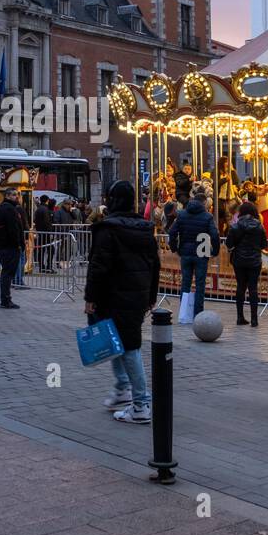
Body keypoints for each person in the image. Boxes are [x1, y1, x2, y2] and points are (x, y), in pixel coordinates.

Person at [86, 180, 160, 425]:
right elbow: (155, 265)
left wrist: (90, 298)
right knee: (117, 341)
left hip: (112, 295)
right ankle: (123, 388)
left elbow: (98, 267)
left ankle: (141, 404)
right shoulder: (145, 229)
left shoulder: (107, 230)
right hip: (137, 294)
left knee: (129, 348)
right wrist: (151, 296)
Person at [168, 187, 219, 318]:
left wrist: (175, 248)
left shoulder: (182, 215)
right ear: (203, 203)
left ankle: (184, 312)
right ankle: (198, 313)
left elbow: (172, 232)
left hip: (185, 252)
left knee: (186, 282)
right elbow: (214, 234)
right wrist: (215, 250)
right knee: (200, 283)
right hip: (201, 253)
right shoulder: (207, 216)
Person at [225, 200, 268, 327]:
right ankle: (254, 319)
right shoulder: (259, 226)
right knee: (253, 288)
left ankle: (240, 317)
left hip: (239, 261)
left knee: (241, 287)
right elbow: (264, 245)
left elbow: (229, 244)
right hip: (254, 261)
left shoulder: (235, 226)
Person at [0, 187, 25, 309]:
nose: (17, 197)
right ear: (7, 196)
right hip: (10, 247)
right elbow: (13, 230)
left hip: (2, 245)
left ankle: (5, 299)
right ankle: (5, 300)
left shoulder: (1, 207)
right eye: (14, 195)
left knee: (6, 273)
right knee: (7, 274)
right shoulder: (9, 209)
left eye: (17, 194)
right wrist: (18, 244)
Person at [33, 195, 53, 273]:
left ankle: (42, 267)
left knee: (41, 250)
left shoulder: (38, 209)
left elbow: (35, 220)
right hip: (46, 233)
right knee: (51, 250)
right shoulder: (45, 209)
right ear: (47, 200)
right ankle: (48, 267)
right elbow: (47, 222)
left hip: (40, 232)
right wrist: (50, 232)